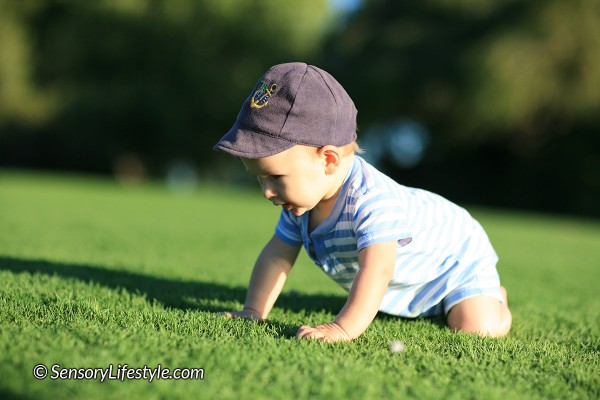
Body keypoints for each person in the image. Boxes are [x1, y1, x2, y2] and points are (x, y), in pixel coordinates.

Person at [214, 62, 512, 342]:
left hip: (454, 257)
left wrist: (342, 328)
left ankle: (492, 296)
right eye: (261, 179)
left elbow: (377, 270)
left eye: (276, 177)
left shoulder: (370, 202)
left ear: (328, 160)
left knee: (477, 328)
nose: (267, 192)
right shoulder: (301, 203)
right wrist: (253, 310)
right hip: (412, 274)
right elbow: (277, 256)